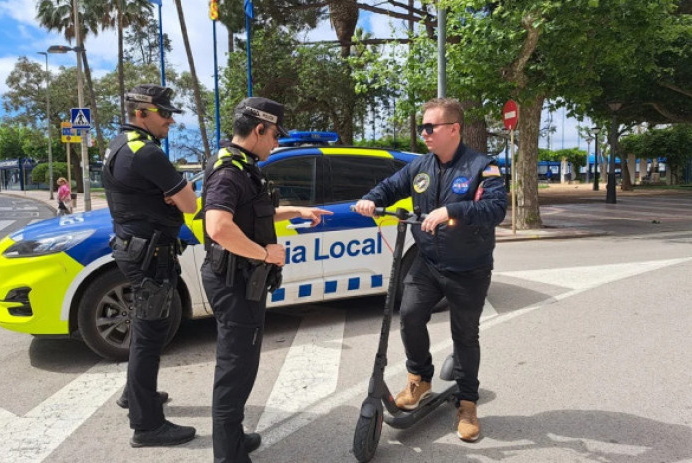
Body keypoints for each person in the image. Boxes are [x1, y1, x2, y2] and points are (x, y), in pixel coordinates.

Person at [354, 98, 507, 442]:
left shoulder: (483, 167)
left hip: (469, 267)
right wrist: (370, 199)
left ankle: (467, 403)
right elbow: (390, 188)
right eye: (422, 127)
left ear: (453, 129)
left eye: (430, 127)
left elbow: (496, 209)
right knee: (409, 314)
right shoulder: (419, 167)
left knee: (464, 335)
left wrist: (452, 210)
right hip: (428, 262)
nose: (423, 133)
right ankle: (419, 378)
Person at [201, 97, 332, 463]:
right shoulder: (230, 171)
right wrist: (264, 254)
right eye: (274, 134)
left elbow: (252, 215)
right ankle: (229, 456)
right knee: (235, 368)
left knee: (243, 365)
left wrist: (296, 210)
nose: (276, 142)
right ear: (258, 129)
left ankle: (236, 438)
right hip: (234, 280)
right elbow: (218, 226)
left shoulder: (243, 166)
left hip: (243, 280)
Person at [102, 84, 198, 448]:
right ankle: (147, 426)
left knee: (147, 331)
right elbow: (189, 204)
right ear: (141, 113)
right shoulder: (147, 154)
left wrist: (171, 196)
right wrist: (178, 196)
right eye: (164, 113)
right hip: (150, 255)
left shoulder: (119, 144)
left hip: (133, 248)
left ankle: (135, 395)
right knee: (149, 334)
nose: (171, 119)